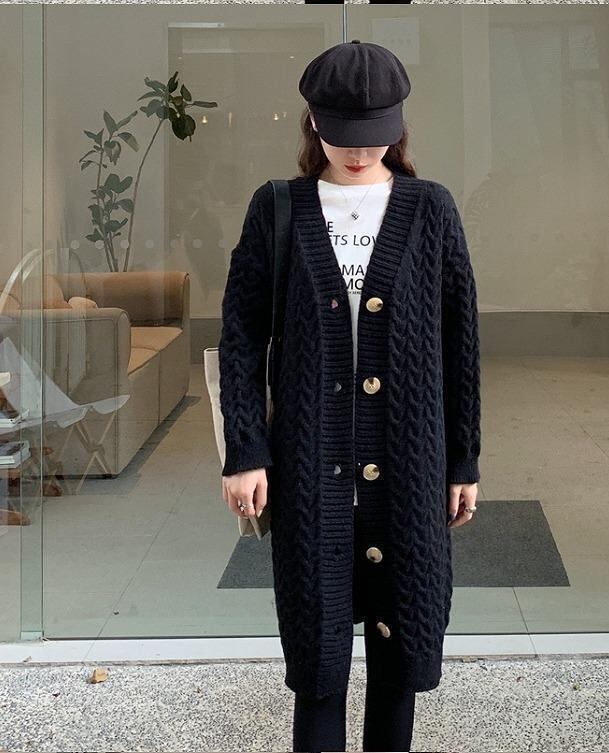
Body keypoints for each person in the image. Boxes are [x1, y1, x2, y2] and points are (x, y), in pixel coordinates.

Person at [219, 39, 481, 753]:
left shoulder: (430, 209)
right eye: (343, 135)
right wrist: (245, 449)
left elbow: (461, 344)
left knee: (400, 657)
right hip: (311, 467)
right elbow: (240, 337)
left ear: (399, 126)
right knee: (318, 660)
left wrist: (463, 460)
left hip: (410, 467)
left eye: (376, 135)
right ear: (313, 121)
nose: (360, 152)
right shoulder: (278, 208)